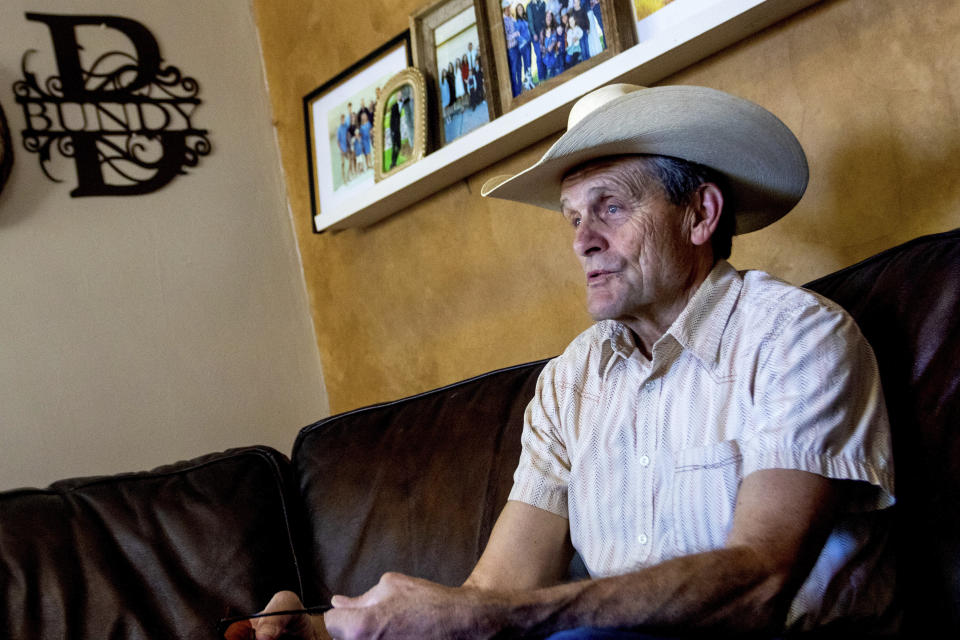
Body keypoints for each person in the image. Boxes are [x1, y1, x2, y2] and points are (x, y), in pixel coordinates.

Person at [251, 84, 896, 640]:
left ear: (700, 214)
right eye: (574, 218)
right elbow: (496, 589)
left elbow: (762, 578)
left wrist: (511, 618)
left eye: (611, 207)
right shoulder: (570, 382)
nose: (584, 240)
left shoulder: (797, 337)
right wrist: (323, 627)